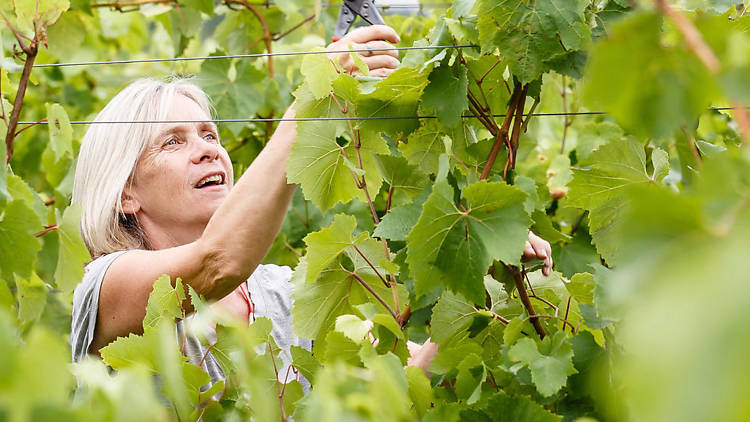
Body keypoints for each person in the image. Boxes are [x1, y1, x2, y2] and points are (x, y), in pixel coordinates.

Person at [70, 25, 553, 390]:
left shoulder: (284, 292)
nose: (207, 150)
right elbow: (217, 263)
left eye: (209, 135)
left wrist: (481, 287)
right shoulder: (107, 284)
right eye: (172, 142)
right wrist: (312, 99)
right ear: (124, 193)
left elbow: (405, 381)